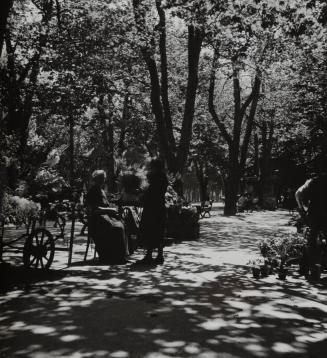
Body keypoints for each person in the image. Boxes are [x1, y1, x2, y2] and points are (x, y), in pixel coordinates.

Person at [86, 170, 129, 264]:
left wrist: (114, 211)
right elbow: (94, 209)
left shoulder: (101, 190)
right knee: (116, 228)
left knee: (123, 223)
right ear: (95, 179)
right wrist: (110, 210)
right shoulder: (93, 191)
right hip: (97, 219)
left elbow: (106, 205)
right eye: (100, 178)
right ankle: (113, 256)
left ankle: (120, 255)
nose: (102, 180)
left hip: (105, 216)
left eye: (103, 178)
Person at [137, 159, 168, 265]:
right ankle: (159, 255)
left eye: (151, 167)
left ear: (155, 167)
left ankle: (149, 255)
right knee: (158, 232)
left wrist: (142, 194)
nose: (150, 169)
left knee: (150, 230)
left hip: (152, 209)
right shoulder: (163, 177)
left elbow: (151, 194)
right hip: (160, 208)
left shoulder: (156, 178)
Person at [295, 173, 327, 273]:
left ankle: (306, 267)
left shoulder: (313, 181)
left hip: (314, 214)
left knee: (311, 239)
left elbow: (298, 193)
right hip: (320, 215)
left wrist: (302, 209)